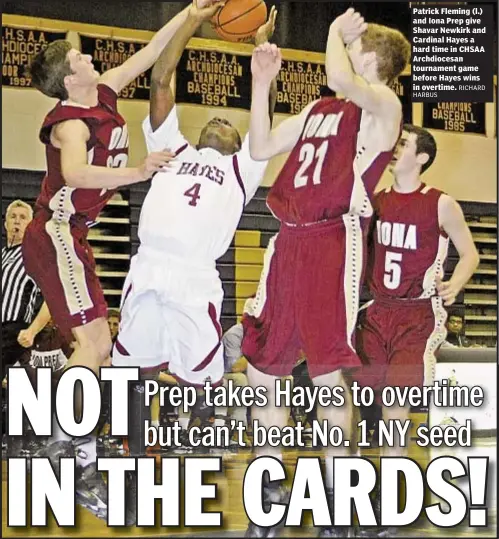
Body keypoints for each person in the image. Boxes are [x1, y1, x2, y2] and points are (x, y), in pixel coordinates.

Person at [21, 3, 205, 522]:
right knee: (95, 343)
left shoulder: (101, 94)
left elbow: (148, 54)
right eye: (81, 57)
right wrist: (140, 171)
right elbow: (76, 175)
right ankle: (63, 448)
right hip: (54, 233)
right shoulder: (69, 125)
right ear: (69, 78)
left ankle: (79, 459)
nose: (90, 58)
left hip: (73, 237)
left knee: (97, 347)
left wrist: (189, 13)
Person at [240, 8, 411, 537]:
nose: (341, 53)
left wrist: (334, 30)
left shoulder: (384, 104)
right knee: (261, 369)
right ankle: (270, 490)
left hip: (334, 240)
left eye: (350, 45)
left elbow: (341, 75)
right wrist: (262, 87)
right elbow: (261, 147)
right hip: (288, 239)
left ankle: (343, 497)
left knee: (325, 375)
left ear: (369, 55)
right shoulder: (320, 107)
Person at [111, 0, 278, 457]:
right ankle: (133, 451)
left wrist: (262, 45)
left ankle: (200, 448)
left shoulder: (244, 169)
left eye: (228, 121)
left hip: (195, 275)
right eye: (215, 118)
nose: (220, 120)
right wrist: (191, 20)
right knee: (132, 366)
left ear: (238, 144)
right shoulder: (173, 147)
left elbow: (263, 117)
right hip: (148, 266)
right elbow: (162, 77)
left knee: (203, 374)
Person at [353, 124, 480, 537]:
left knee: (395, 408)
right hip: (376, 313)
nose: (395, 149)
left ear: (422, 157)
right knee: (349, 404)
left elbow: (471, 254)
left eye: (403, 144)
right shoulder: (376, 201)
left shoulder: (441, 203)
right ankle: (358, 491)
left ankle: (391, 503)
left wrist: (456, 283)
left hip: (417, 316)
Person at [2, 200, 51, 379]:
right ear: (5, 223)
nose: (17, 221)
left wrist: (33, 330)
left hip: (13, 332)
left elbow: (52, 299)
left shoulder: (36, 257)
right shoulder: (3, 255)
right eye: (13, 217)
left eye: (23, 218)